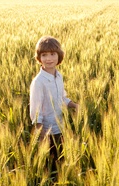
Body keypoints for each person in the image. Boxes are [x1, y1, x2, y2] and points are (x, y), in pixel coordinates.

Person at [29, 36, 78, 176]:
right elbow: (36, 113)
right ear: (39, 58)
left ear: (59, 56)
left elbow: (61, 98)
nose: (49, 58)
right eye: (44, 55)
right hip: (48, 133)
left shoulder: (59, 76)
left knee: (61, 163)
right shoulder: (38, 82)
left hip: (61, 128)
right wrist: (41, 135)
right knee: (51, 169)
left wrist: (75, 105)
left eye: (52, 54)